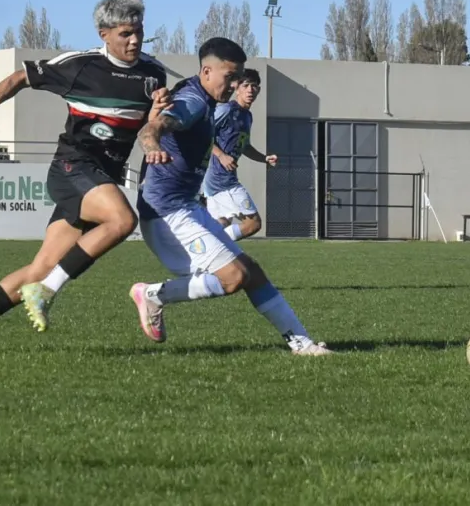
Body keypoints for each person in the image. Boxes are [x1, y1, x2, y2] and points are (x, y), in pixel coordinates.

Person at [0, 0, 170, 356]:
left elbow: (147, 127)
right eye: (125, 33)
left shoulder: (153, 74)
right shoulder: (80, 66)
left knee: (41, 268)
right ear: (104, 34)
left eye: (138, 32)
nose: (134, 40)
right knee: (122, 220)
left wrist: (155, 127)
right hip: (72, 167)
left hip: (101, 178)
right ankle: (49, 290)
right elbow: (19, 77)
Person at [129, 37, 330, 356]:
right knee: (234, 276)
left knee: (251, 271)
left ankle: (301, 342)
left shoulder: (210, 102)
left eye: (238, 77)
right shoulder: (194, 101)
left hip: (187, 207)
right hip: (166, 215)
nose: (235, 83)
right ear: (206, 71)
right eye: (229, 76)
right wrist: (152, 142)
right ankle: (153, 295)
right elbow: (156, 126)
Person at [202, 69, 276, 241]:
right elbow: (203, 134)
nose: (250, 90)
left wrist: (264, 158)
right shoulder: (227, 109)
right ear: (236, 88)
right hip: (222, 180)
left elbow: (245, 147)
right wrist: (221, 155)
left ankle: (204, 250)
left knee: (221, 223)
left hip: (219, 180)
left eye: (255, 86)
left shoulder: (247, 116)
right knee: (253, 224)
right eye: (246, 85)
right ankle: (209, 247)